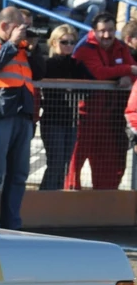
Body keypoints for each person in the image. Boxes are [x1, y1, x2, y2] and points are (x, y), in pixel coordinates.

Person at [0, 7, 42, 229]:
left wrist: (34, 50)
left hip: (23, 114)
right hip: (0, 114)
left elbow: (40, 73)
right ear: (5, 26)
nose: (24, 32)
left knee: (19, 175)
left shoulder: (22, 48)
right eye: (19, 27)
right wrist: (13, 44)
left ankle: (12, 225)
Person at [68, 12, 137, 190]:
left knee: (109, 166)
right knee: (73, 164)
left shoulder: (120, 46)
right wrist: (126, 70)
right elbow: (99, 72)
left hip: (109, 117)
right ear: (94, 31)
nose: (107, 35)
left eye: (111, 30)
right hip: (83, 116)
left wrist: (127, 75)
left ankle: (104, 205)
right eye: (102, 31)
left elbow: (132, 72)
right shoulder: (85, 48)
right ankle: (68, 206)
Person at [40, 23, 82, 191]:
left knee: (64, 165)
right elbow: (50, 91)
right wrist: (68, 88)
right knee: (55, 163)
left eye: (72, 42)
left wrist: (72, 89)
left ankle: (54, 199)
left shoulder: (76, 64)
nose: (69, 46)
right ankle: (44, 199)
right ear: (54, 42)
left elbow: (88, 88)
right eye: (65, 42)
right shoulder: (47, 64)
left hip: (71, 121)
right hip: (52, 120)